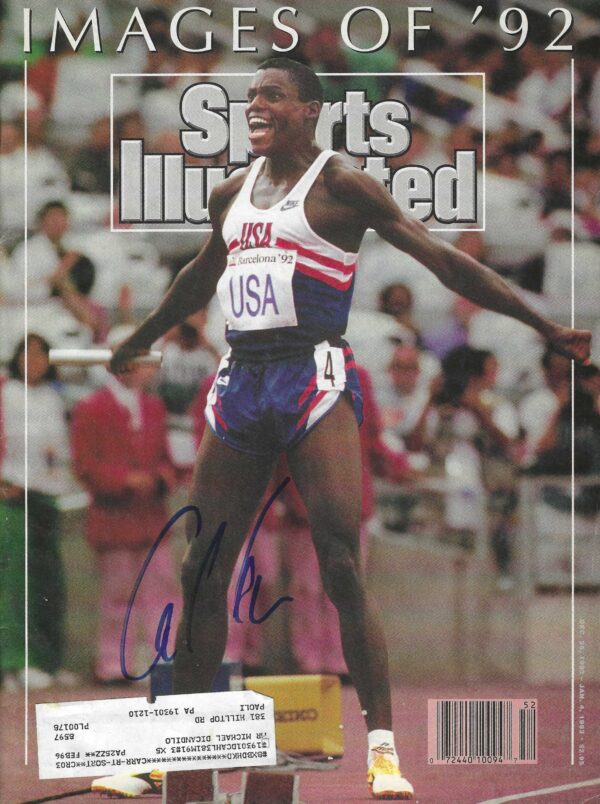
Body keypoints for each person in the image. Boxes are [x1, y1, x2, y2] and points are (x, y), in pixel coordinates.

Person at [110, 58, 591, 800]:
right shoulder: (230, 193)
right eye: (251, 96)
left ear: (310, 110)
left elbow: (442, 261)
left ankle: (384, 749)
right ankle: (174, 746)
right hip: (242, 381)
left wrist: (543, 325)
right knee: (202, 568)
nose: (255, 105)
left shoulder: (341, 184)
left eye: (272, 95)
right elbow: (200, 277)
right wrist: (139, 338)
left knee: (339, 562)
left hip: (311, 377)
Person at [71, 326, 178, 684]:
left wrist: (161, 477)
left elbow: (166, 458)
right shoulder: (91, 407)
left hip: (151, 517)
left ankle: (162, 660)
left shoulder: (154, 406)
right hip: (114, 516)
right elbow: (85, 465)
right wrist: (125, 480)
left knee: (161, 590)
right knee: (118, 595)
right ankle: (113, 663)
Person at [0, 334, 73, 690]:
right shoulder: (6, 393)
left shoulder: (54, 397)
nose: (34, 361)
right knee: (16, 580)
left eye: (41, 354)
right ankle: (16, 662)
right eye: (27, 354)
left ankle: (48, 660)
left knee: (49, 582)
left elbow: (60, 450)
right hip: (12, 495)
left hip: (47, 494)